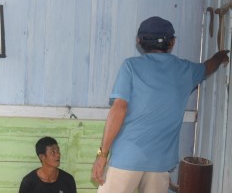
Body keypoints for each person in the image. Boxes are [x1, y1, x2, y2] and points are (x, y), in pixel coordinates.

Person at [91, 16, 229, 193]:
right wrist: (220, 55)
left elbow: (119, 107)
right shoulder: (186, 70)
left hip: (127, 158)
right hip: (160, 163)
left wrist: (102, 155)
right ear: (172, 42)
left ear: (139, 41)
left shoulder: (131, 66)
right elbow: (208, 66)